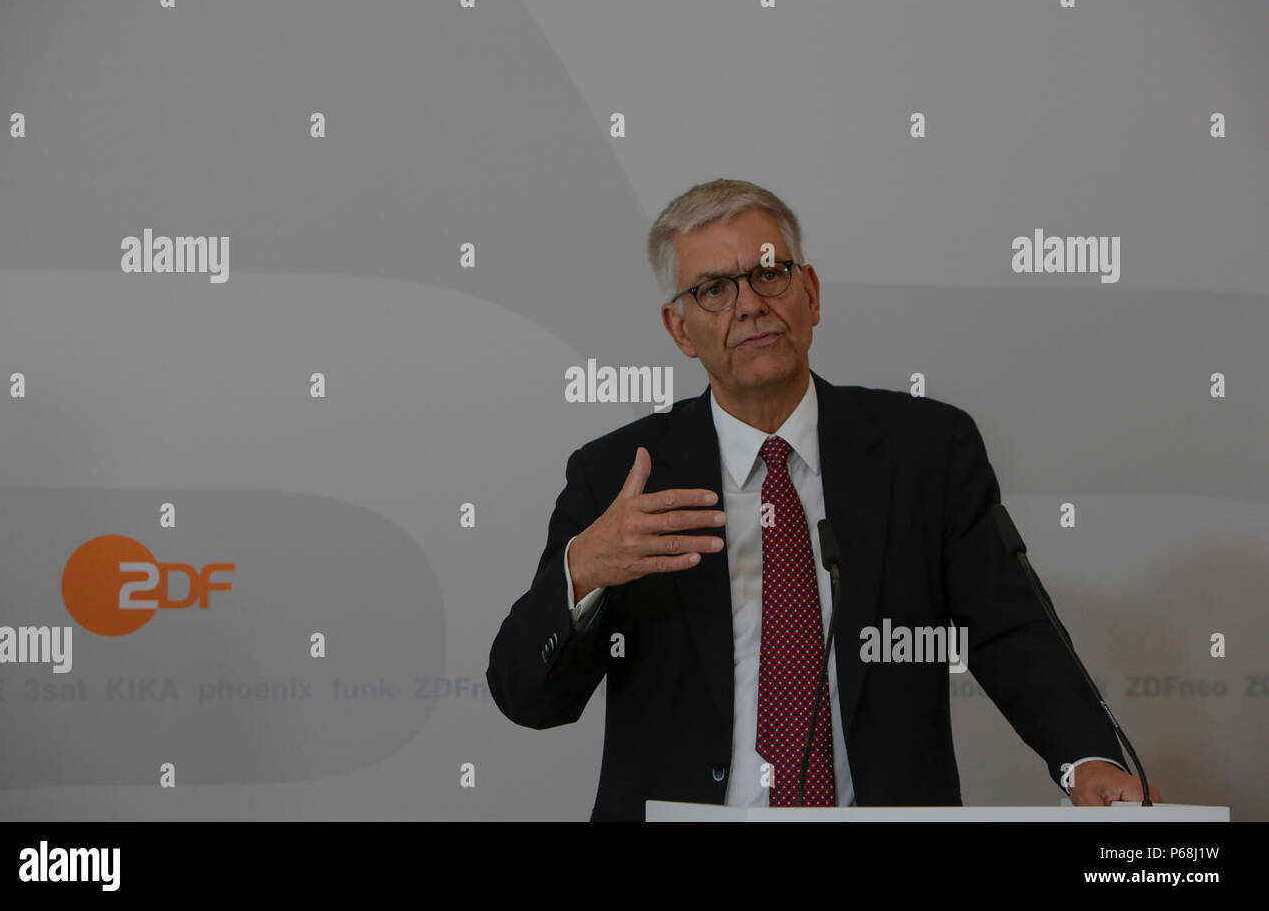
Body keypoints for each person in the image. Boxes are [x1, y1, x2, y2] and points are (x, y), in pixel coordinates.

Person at [486, 178, 1160, 821]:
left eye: (769, 273)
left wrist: (1084, 756)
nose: (750, 304)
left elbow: (1009, 627)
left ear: (808, 291)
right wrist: (583, 572)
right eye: (714, 289)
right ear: (679, 329)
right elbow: (528, 699)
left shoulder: (924, 451)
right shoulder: (621, 476)